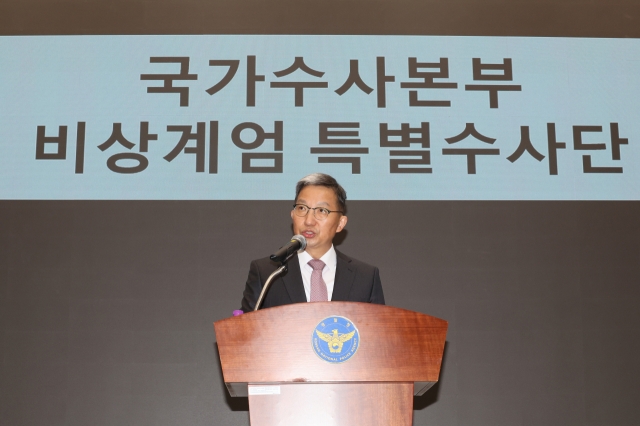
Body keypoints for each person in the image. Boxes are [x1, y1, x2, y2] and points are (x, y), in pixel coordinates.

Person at [240, 173, 385, 311]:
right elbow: (243, 331)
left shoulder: (365, 277)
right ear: (292, 215)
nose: (309, 221)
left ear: (341, 223)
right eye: (302, 208)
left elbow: (380, 333)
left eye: (322, 210)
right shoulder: (267, 273)